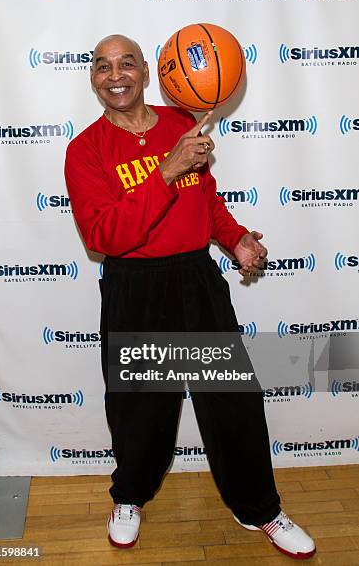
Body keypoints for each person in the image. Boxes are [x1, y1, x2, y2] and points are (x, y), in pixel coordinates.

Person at [64, 34, 316, 560]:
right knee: (139, 409)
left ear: (144, 73)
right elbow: (105, 236)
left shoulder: (181, 124)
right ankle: (130, 497)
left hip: (195, 279)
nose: (115, 76)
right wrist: (166, 170)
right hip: (134, 286)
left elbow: (207, 198)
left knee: (233, 403)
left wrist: (236, 238)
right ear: (92, 77)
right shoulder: (85, 150)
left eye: (126, 64)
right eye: (102, 67)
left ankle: (260, 508)